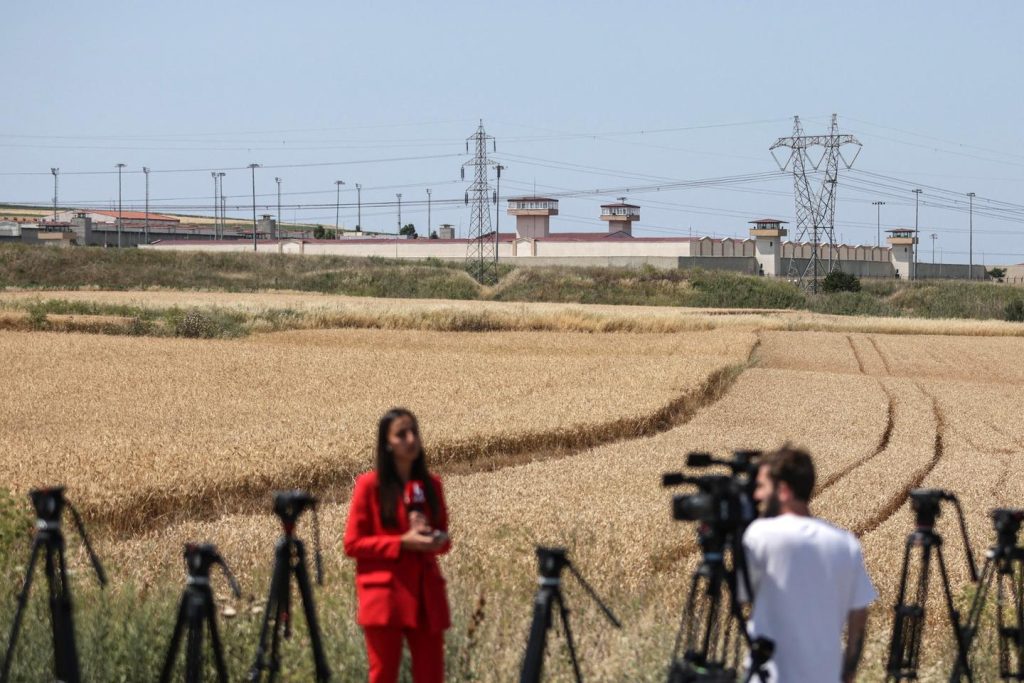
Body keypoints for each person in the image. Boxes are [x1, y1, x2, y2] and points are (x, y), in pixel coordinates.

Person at [742, 446, 877, 683]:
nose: (757, 496)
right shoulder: (846, 543)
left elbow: (740, 596)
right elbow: (859, 615)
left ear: (783, 490)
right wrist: (848, 671)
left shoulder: (759, 535)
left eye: (762, 487)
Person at [344, 408, 450, 683]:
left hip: (426, 595)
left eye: (414, 432)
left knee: (431, 677)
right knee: (383, 676)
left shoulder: (432, 485)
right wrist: (402, 543)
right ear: (387, 443)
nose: (411, 439)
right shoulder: (369, 486)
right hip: (385, 597)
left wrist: (433, 538)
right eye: (401, 434)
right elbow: (353, 544)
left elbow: (444, 539)